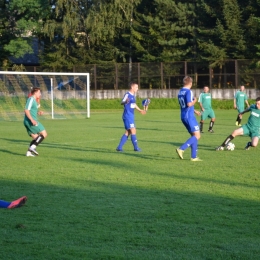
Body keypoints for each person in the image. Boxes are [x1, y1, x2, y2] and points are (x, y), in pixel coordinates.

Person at [176, 76, 202, 161]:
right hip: (189, 117)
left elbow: (185, 106)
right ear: (190, 83)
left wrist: (195, 111)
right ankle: (181, 149)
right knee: (197, 136)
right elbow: (188, 104)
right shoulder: (189, 91)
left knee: (194, 136)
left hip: (184, 116)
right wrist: (195, 100)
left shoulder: (180, 92)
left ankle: (193, 157)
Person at [116, 82, 146, 152]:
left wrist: (140, 110)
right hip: (127, 115)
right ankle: (136, 148)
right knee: (133, 130)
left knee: (128, 132)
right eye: (136, 87)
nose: (137, 89)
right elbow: (122, 102)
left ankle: (119, 147)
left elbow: (133, 104)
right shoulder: (127, 94)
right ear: (132, 87)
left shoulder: (133, 96)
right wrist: (125, 101)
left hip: (131, 115)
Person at [24, 87, 47, 157]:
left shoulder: (34, 100)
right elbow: (26, 110)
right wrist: (32, 120)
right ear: (35, 92)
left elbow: (32, 109)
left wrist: (38, 112)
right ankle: (32, 147)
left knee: (36, 137)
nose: (40, 94)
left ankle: (28, 152)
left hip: (28, 121)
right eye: (39, 92)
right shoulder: (31, 99)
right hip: (31, 121)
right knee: (44, 134)